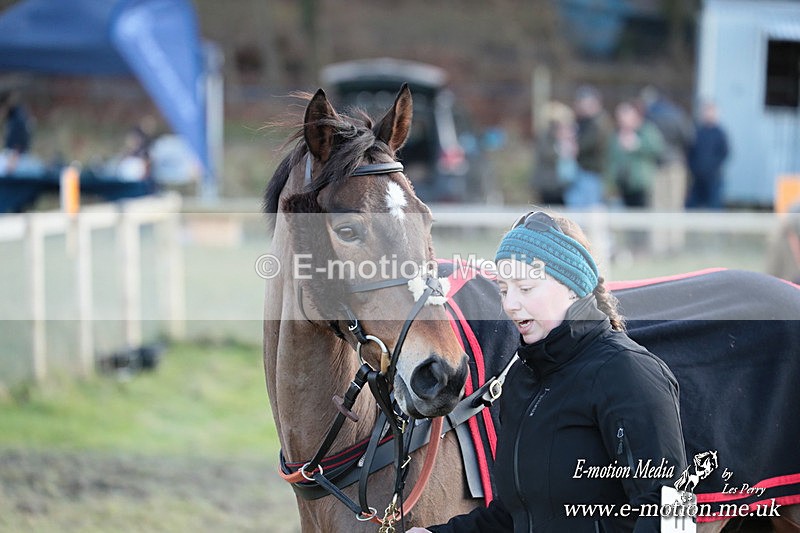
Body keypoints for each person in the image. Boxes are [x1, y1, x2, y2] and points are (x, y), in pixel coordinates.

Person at [409, 210, 686, 533]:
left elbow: (671, 509)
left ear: (572, 287)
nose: (510, 304)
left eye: (525, 288)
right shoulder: (522, 381)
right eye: (503, 290)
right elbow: (514, 515)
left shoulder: (628, 372)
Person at [639, 86, 694, 253]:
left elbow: (646, 140)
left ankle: (659, 244)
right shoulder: (677, 114)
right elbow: (689, 138)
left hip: (657, 165)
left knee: (658, 206)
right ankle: (675, 243)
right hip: (677, 164)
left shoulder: (650, 116)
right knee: (675, 205)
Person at [604, 101, 665, 209]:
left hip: (641, 185)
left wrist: (638, 146)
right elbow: (611, 159)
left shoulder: (646, 131)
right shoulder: (615, 135)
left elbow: (657, 149)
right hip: (621, 186)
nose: (622, 119)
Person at [569, 85, 612, 208]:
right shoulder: (584, 121)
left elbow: (588, 144)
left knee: (590, 209)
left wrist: (574, 146)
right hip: (584, 170)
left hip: (592, 171)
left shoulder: (599, 122)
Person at [530, 101, 577, 205]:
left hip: (559, 184)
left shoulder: (562, 135)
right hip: (548, 184)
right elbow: (546, 154)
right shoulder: (546, 136)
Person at [686, 101, 729, 209]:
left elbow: (724, 153)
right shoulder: (697, 131)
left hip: (713, 177)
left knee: (714, 206)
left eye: (711, 112)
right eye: (706, 112)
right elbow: (690, 151)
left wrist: (713, 167)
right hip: (697, 177)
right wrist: (693, 167)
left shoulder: (720, 133)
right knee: (692, 206)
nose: (708, 114)